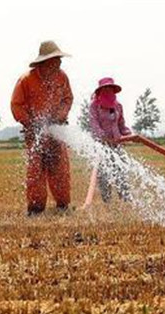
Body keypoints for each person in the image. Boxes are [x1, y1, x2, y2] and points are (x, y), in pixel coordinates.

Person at [11, 41, 74, 215]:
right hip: (35, 133)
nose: (59, 63)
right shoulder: (26, 80)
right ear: (44, 63)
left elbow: (67, 99)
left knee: (60, 170)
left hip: (55, 133)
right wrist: (30, 122)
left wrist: (60, 116)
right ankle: (36, 209)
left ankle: (63, 206)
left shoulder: (62, 77)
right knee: (35, 172)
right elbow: (16, 105)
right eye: (56, 60)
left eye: (59, 60)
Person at [89, 77, 132, 203]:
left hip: (116, 145)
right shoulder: (94, 106)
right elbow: (94, 125)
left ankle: (125, 199)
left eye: (110, 88)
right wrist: (104, 138)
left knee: (121, 172)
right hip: (101, 146)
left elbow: (122, 125)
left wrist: (129, 134)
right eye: (105, 88)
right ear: (100, 91)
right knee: (104, 175)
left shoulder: (118, 106)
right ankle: (107, 201)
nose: (108, 90)